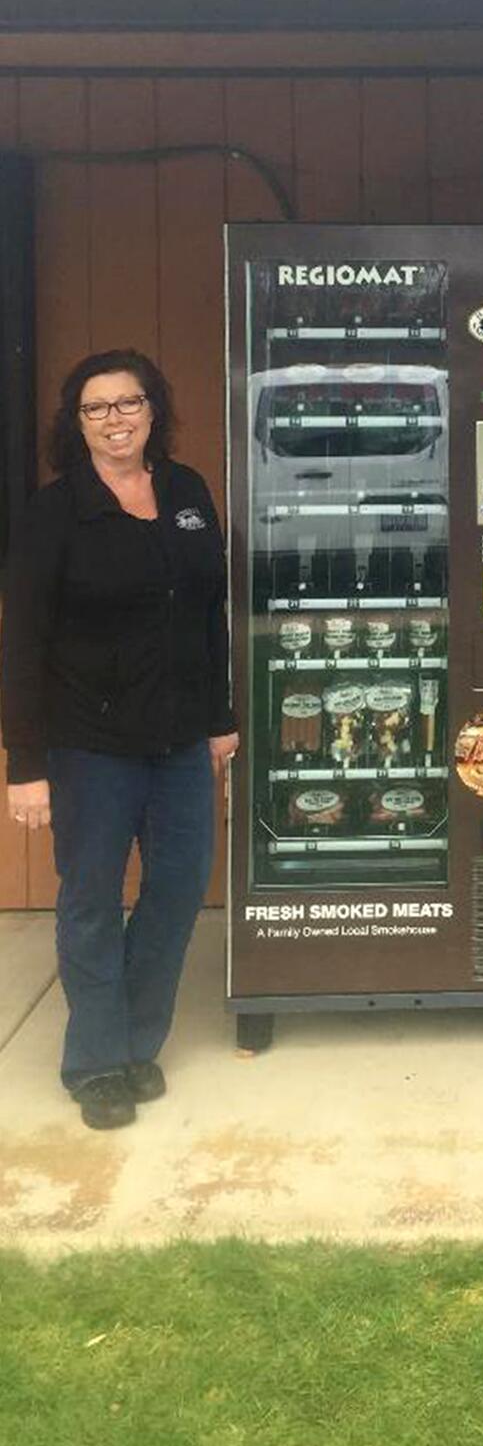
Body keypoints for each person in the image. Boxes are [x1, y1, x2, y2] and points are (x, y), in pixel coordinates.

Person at [1, 350, 237, 1131]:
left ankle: (139, 1041)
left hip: (178, 742)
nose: (115, 419)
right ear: (77, 423)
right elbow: (24, 643)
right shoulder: (53, 511)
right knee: (92, 901)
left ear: (152, 409)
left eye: (129, 403)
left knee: (175, 894)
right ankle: (97, 1060)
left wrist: (220, 718)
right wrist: (25, 765)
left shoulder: (186, 492)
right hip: (89, 745)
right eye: (97, 408)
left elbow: (209, 615)